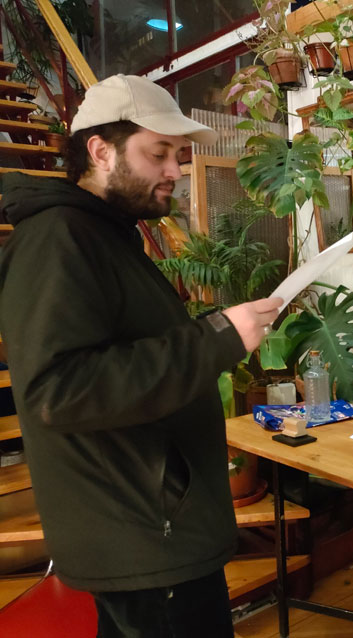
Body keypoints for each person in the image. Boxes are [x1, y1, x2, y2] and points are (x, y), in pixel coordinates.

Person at [0, 74, 282, 638]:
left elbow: (126, 353)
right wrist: (217, 338)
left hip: (153, 531)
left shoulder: (106, 234)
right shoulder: (60, 239)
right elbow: (59, 390)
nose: (175, 169)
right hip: (144, 538)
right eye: (159, 153)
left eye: (178, 154)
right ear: (100, 151)